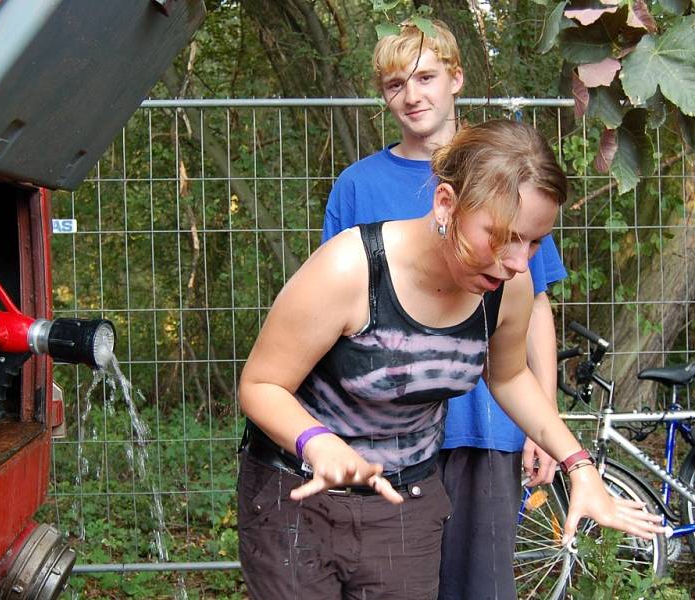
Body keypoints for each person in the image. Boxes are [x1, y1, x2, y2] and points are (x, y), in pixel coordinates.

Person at [237, 119, 662, 600]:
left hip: (406, 499)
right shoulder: (350, 269)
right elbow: (260, 385)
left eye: (533, 241)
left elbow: (509, 376)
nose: (519, 261)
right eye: (503, 236)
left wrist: (578, 465)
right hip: (296, 497)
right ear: (446, 203)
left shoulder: (509, 287)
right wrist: (318, 442)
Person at [321, 21, 564, 599]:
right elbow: (335, 318)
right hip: (387, 438)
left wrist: (545, 424)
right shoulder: (357, 187)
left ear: (457, 77)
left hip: (484, 425)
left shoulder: (507, 173)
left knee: (481, 586)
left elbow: (534, 308)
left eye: (426, 76)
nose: (412, 94)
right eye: (394, 83)